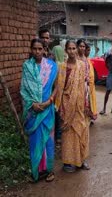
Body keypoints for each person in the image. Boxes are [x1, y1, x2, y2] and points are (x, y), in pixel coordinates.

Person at [20, 39, 58, 182]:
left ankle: (49, 171)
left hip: (47, 110)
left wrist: (50, 100)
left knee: (48, 140)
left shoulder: (52, 66)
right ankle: (36, 172)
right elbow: (23, 90)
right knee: (35, 142)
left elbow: (57, 87)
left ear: (44, 50)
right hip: (33, 112)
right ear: (31, 49)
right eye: (34, 48)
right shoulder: (27, 66)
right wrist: (32, 104)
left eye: (40, 48)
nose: (37, 51)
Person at [55, 40, 91, 173]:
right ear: (66, 50)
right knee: (69, 134)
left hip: (80, 104)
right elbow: (59, 88)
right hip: (66, 104)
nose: (72, 51)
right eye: (69, 48)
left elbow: (84, 86)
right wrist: (60, 106)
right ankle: (68, 162)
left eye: (73, 48)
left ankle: (81, 160)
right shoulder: (62, 67)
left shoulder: (82, 65)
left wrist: (86, 104)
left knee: (81, 130)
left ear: (76, 50)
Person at [76, 39, 98, 125]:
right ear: (77, 47)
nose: (82, 48)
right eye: (80, 46)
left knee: (86, 103)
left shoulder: (86, 59)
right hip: (76, 86)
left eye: (83, 47)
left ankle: (85, 121)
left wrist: (88, 80)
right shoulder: (75, 58)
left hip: (86, 86)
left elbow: (88, 72)